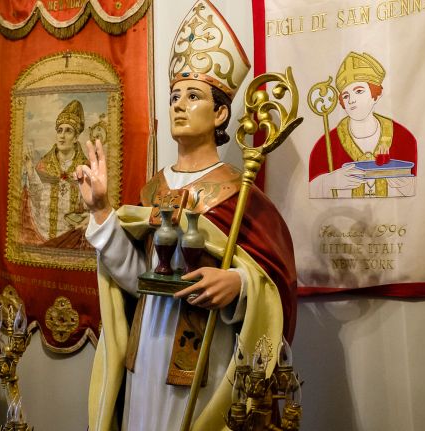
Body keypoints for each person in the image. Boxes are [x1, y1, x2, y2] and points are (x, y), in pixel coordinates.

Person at [76, 1, 297, 430]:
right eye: (175, 95)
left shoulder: (240, 193)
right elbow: (137, 277)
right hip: (146, 356)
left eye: (193, 96)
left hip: (206, 360)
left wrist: (238, 283)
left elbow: (279, 286)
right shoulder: (153, 190)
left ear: (219, 113)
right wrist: (103, 210)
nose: (178, 104)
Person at [308, 52, 418, 198]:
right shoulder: (326, 144)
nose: (351, 100)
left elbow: (422, 195)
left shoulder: (403, 137)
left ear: (376, 95)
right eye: (346, 96)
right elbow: (307, 196)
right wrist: (328, 182)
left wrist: (405, 183)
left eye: (359, 91)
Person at [21, 99, 91, 248]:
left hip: (74, 238)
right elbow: (34, 199)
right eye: (59, 130)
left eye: (68, 130)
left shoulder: (85, 168)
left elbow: (93, 205)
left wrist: (89, 217)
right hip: (44, 236)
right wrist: (29, 169)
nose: (62, 136)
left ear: (76, 137)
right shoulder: (43, 165)